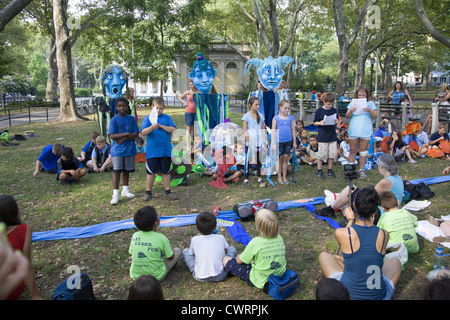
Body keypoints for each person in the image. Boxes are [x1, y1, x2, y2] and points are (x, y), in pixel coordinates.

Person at [318, 187, 402, 300]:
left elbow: (342, 241)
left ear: (353, 205)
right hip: (379, 296)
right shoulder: (384, 234)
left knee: (324, 256)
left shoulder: (342, 233)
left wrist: (350, 220)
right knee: (395, 261)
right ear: (375, 210)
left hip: (346, 294)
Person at [315, 153, 404, 218]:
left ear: (381, 166)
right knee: (348, 196)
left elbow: (369, 197)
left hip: (380, 214)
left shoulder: (385, 182)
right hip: (391, 210)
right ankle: (338, 211)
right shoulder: (397, 178)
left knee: (350, 191)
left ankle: (330, 210)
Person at [223, 209, 286, 290]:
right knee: (251, 260)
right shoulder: (279, 238)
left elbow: (239, 261)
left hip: (261, 280)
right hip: (279, 275)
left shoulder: (255, 242)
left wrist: (239, 256)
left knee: (226, 259)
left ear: (258, 227)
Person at [0, 195, 41, 300]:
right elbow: (28, 264)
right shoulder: (24, 230)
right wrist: (35, 296)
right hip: (11, 288)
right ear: (13, 211)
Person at [129, 206, 181, 282]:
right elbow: (171, 257)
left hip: (136, 277)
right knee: (177, 250)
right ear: (156, 223)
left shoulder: (135, 236)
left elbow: (131, 252)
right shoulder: (161, 238)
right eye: (158, 216)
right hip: (156, 277)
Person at [141, 97, 178, 201]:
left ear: (164, 108)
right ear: (152, 107)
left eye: (161, 108)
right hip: (152, 152)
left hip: (165, 151)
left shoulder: (166, 118)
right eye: (157, 108)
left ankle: (168, 191)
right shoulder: (147, 118)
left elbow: (174, 129)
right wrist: (152, 127)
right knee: (150, 172)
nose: (158, 110)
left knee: (166, 171)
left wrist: (161, 126)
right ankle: (148, 192)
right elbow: (143, 132)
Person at [183, 211, 236, 282]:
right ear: (215, 227)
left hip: (200, 277)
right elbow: (226, 251)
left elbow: (192, 254)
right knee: (232, 249)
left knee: (186, 251)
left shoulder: (194, 239)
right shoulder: (220, 237)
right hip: (220, 275)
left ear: (196, 227)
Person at [108, 97, 140, 205]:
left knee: (126, 170)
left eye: (124, 106)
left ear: (127, 106)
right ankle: (115, 194)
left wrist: (123, 138)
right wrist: (127, 134)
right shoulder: (114, 120)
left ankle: (125, 190)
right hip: (117, 150)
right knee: (117, 171)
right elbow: (112, 135)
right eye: (119, 106)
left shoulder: (131, 119)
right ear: (116, 107)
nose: (122, 108)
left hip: (129, 149)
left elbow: (136, 133)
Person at [345, 86, 378, 178]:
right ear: (357, 95)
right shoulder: (353, 103)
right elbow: (347, 116)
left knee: (363, 150)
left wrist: (370, 110)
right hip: (354, 129)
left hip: (365, 129)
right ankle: (350, 169)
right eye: (360, 95)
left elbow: (375, 116)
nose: (361, 96)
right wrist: (351, 110)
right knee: (353, 150)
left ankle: (361, 170)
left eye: (363, 95)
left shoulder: (370, 103)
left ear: (366, 95)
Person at [242, 97, 267, 188]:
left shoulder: (260, 115)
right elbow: (245, 131)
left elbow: (262, 129)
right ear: (250, 105)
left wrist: (264, 141)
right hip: (250, 142)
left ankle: (259, 177)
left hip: (259, 142)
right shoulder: (246, 116)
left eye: (259, 105)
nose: (258, 106)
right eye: (256, 105)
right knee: (248, 159)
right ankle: (246, 178)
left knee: (259, 159)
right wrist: (249, 142)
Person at [313, 92, 339, 179]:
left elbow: (337, 121)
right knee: (321, 154)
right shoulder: (319, 111)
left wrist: (336, 122)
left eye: (331, 104)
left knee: (332, 154)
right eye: (328, 104)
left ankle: (330, 169)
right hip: (323, 135)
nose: (329, 106)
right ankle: (319, 170)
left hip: (332, 135)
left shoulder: (334, 110)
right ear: (324, 102)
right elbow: (314, 122)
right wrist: (320, 123)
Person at [272, 99, 296, 184]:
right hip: (279, 142)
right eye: (285, 108)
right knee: (279, 159)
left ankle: (284, 177)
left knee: (285, 158)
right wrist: (273, 143)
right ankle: (279, 177)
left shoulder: (291, 118)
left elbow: (293, 130)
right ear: (280, 107)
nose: (287, 110)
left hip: (288, 141)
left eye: (288, 108)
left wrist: (294, 142)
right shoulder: (276, 118)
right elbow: (273, 131)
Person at [178, 79, 199, 151]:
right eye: (190, 84)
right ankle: (188, 146)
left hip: (196, 113)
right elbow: (180, 97)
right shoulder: (188, 92)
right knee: (188, 129)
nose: (191, 86)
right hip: (188, 112)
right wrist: (184, 102)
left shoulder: (199, 92)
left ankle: (195, 145)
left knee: (194, 129)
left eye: (192, 84)